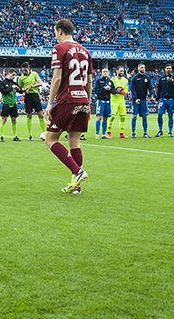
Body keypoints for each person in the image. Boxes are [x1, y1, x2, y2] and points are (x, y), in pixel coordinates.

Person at [43, 19, 91, 194]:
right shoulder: (85, 51)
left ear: (60, 31)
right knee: (74, 141)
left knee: (50, 139)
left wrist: (49, 104)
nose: (55, 36)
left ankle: (77, 172)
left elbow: (56, 78)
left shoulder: (59, 49)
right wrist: (88, 102)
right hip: (83, 100)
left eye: (55, 32)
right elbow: (90, 81)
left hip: (67, 100)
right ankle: (76, 186)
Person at [18, 62, 45, 141]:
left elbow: (41, 83)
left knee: (41, 115)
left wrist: (32, 86)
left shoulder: (34, 74)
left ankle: (44, 133)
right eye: (23, 70)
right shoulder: (21, 78)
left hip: (35, 96)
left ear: (29, 69)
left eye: (25, 70)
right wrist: (23, 89)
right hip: (27, 96)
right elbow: (20, 89)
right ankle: (30, 135)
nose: (24, 72)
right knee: (29, 115)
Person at [155, 64, 174, 137]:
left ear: (171, 69)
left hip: (171, 99)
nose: (169, 69)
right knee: (159, 114)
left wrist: (172, 81)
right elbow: (159, 89)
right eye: (167, 68)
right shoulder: (161, 78)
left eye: (170, 68)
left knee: (170, 116)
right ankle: (160, 130)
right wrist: (157, 99)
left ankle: (170, 131)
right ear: (165, 69)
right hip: (162, 99)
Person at [129, 63, 151, 138]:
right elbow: (132, 89)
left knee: (144, 116)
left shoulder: (147, 78)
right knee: (134, 116)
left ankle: (145, 132)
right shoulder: (134, 78)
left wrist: (150, 95)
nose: (143, 69)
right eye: (142, 67)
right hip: (136, 101)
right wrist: (135, 98)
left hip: (144, 100)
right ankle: (133, 133)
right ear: (138, 68)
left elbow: (150, 87)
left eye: (144, 67)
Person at [0, 69, 21, 142]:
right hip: (6, 104)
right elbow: (3, 92)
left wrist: (21, 88)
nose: (14, 76)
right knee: (4, 119)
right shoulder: (2, 83)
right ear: (9, 74)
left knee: (14, 120)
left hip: (13, 104)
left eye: (15, 75)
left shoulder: (14, 83)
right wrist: (12, 88)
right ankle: (1, 136)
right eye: (13, 75)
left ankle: (15, 136)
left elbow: (21, 91)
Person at [108, 66, 129, 139]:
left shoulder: (125, 80)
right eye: (120, 71)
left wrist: (123, 92)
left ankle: (121, 133)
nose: (122, 72)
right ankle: (109, 132)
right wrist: (118, 91)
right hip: (114, 100)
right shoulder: (112, 79)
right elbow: (111, 90)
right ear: (117, 71)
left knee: (123, 117)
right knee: (113, 116)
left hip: (122, 100)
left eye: (122, 71)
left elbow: (126, 91)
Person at [93, 68, 112, 139]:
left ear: (108, 73)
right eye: (104, 71)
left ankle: (104, 134)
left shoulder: (110, 81)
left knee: (105, 118)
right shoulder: (98, 81)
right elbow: (95, 90)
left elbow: (113, 90)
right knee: (99, 117)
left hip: (108, 101)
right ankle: (97, 134)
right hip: (100, 101)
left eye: (106, 71)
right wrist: (104, 88)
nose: (105, 73)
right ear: (101, 73)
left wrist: (111, 90)